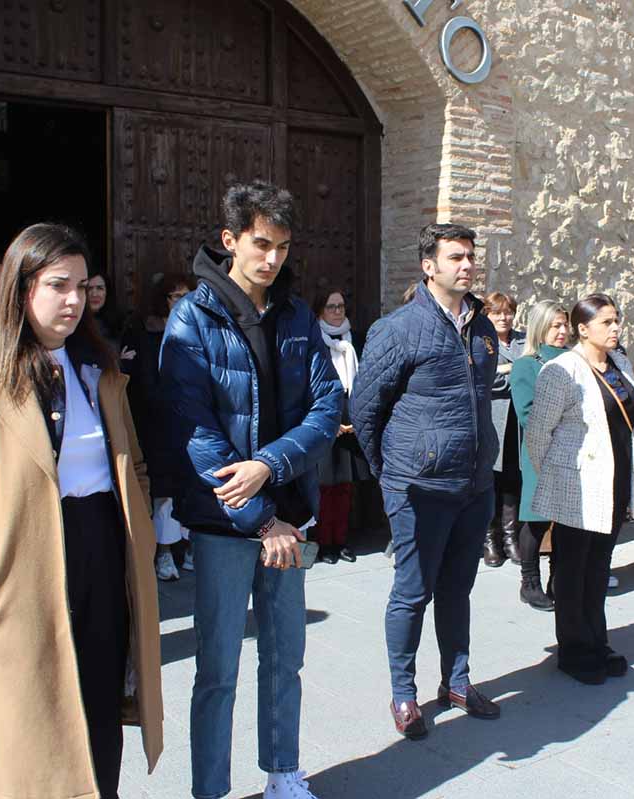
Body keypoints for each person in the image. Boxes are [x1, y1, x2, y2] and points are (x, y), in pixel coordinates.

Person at [0, 224, 163, 799]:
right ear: (21, 287)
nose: (74, 299)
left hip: (103, 547)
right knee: (33, 717)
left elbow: (134, 464)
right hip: (22, 560)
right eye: (58, 285)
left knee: (100, 698)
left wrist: (143, 536)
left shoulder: (99, 367)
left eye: (81, 285)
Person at [160, 180, 342, 799]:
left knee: (286, 656)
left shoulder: (296, 313)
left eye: (283, 247)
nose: (272, 259)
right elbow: (195, 432)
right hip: (227, 524)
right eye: (261, 244)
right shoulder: (192, 318)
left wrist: (268, 466)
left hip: (291, 517)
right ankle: (210, 790)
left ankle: (283, 773)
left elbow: (327, 407)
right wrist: (262, 520)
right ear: (230, 240)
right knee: (217, 668)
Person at [351, 222, 501, 740]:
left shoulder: (483, 328)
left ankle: (456, 682)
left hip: (474, 485)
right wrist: (394, 473)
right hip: (419, 488)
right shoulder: (397, 329)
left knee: (458, 589)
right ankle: (404, 692)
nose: (467, 265)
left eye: (470, 256)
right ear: (428, 266)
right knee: (412, 592)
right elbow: (364, 410)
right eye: (455, 257)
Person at [525, 294, 634, 685]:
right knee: (572, 569)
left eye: (617, 320)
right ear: (583, 329)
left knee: (598, 566)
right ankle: (574, 650)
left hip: (615, 481)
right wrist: (557, 476)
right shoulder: (562, 370)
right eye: (606, 322)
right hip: (576, 484)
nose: (615, 328)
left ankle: (597, 641)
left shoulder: (620, 364)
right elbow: (538, 434)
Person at [122, 272, 197, 580]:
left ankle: (190, 547)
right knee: (163, 491)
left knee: (192, 488)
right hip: (159, 424)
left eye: (187, 295)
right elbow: (143, 381)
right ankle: (164, 552)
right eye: (176, 296)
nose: (182, 301)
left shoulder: (198, 327)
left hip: (192, 423)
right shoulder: (145, 332)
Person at [508, 300, 569, 611]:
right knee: (537, 520)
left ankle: (559, 580)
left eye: (564, 325)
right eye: (555, 325)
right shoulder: (527, 365)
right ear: (540, 327)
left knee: (567, 521)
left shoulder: (575, 360)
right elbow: (527, 413)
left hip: (574, 453)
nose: (562, 331)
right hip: (541, 451)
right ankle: (529, 582)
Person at [312, 288, 369, 564]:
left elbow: (366, 380)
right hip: (324, 421)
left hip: (351, 421)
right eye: (331, 306)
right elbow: (308, 385)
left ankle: (342, 540)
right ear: (320, 311)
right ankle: (325, 543)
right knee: (325, 487)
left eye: (341, 306)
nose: (337, 311)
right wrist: (328, 423)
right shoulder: (314, 341)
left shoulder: (355, 340)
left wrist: (358, 419)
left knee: (345, 487)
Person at [483, 291, 526, 567]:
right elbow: (486, 380)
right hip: (493, 421)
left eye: (508, 312)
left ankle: (511, 538)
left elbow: (532, 371)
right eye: (497, 312)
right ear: (487, 314)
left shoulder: (524, 341)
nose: (504, 317)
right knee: (490, 481)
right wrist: (514, 373)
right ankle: (489, 539)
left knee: (513, 479)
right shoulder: (481, 341)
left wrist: (507, 370)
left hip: (518, 423)